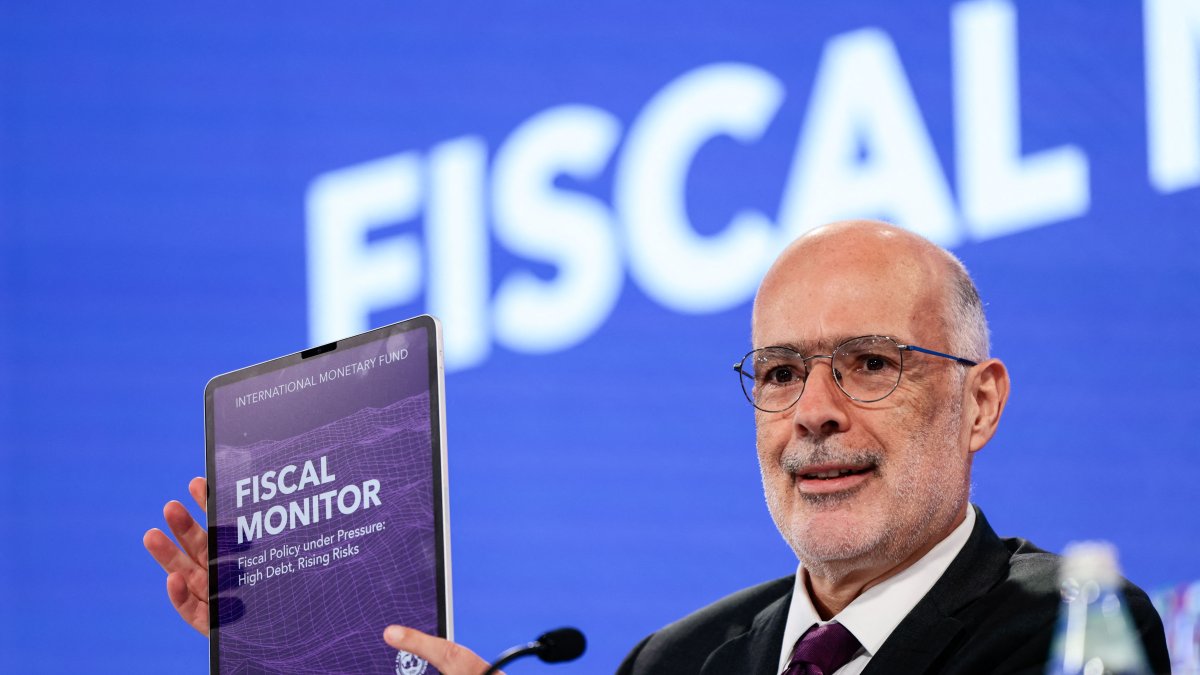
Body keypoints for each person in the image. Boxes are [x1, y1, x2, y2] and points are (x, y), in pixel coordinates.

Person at [145, 220, 1171, 674]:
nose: (813, 411)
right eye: (778, 373)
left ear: (979, 403)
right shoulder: (676, 662)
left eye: (867, 363)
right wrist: (315, 660)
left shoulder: (1061, 628)